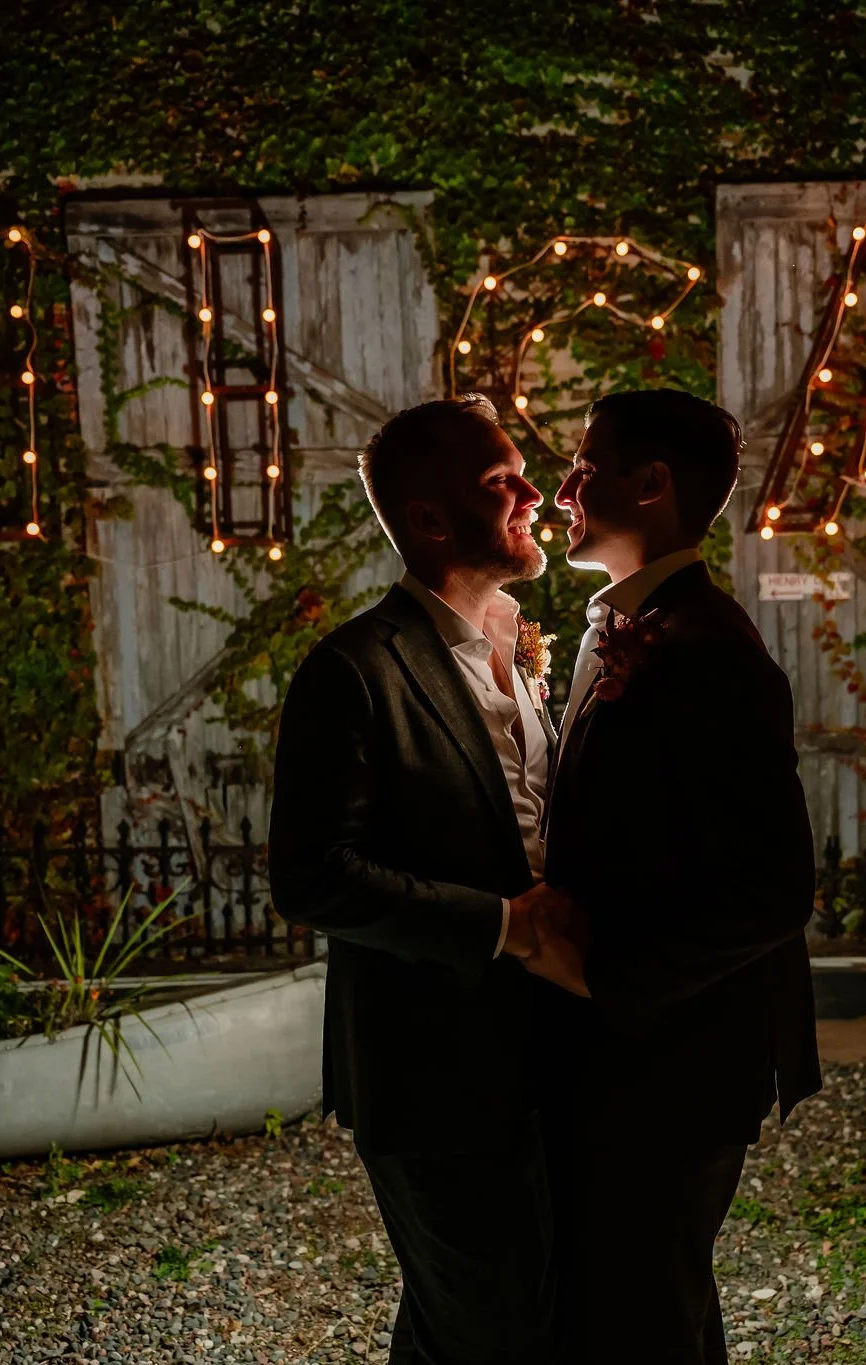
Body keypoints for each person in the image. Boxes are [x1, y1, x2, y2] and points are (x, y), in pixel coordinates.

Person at [268, 394, 583, 1365]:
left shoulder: (521, 647)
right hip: (430, 1072)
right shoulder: (353, 670)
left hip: (539, 1057)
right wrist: (502, 924)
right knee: (492, 1326)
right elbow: (309, 877)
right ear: (431, 521)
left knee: (484, 1323)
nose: (534, 493)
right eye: (501, 482)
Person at [542, 389, 821, 1365]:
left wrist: (605, 980)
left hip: (674, 1060)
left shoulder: (706, 653)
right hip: (631, 1060)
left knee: (642, 1312)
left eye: (585, 465)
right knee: (648, 1304)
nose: (562, 487)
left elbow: (774, 890)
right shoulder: (624, 626)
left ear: (651, 485)